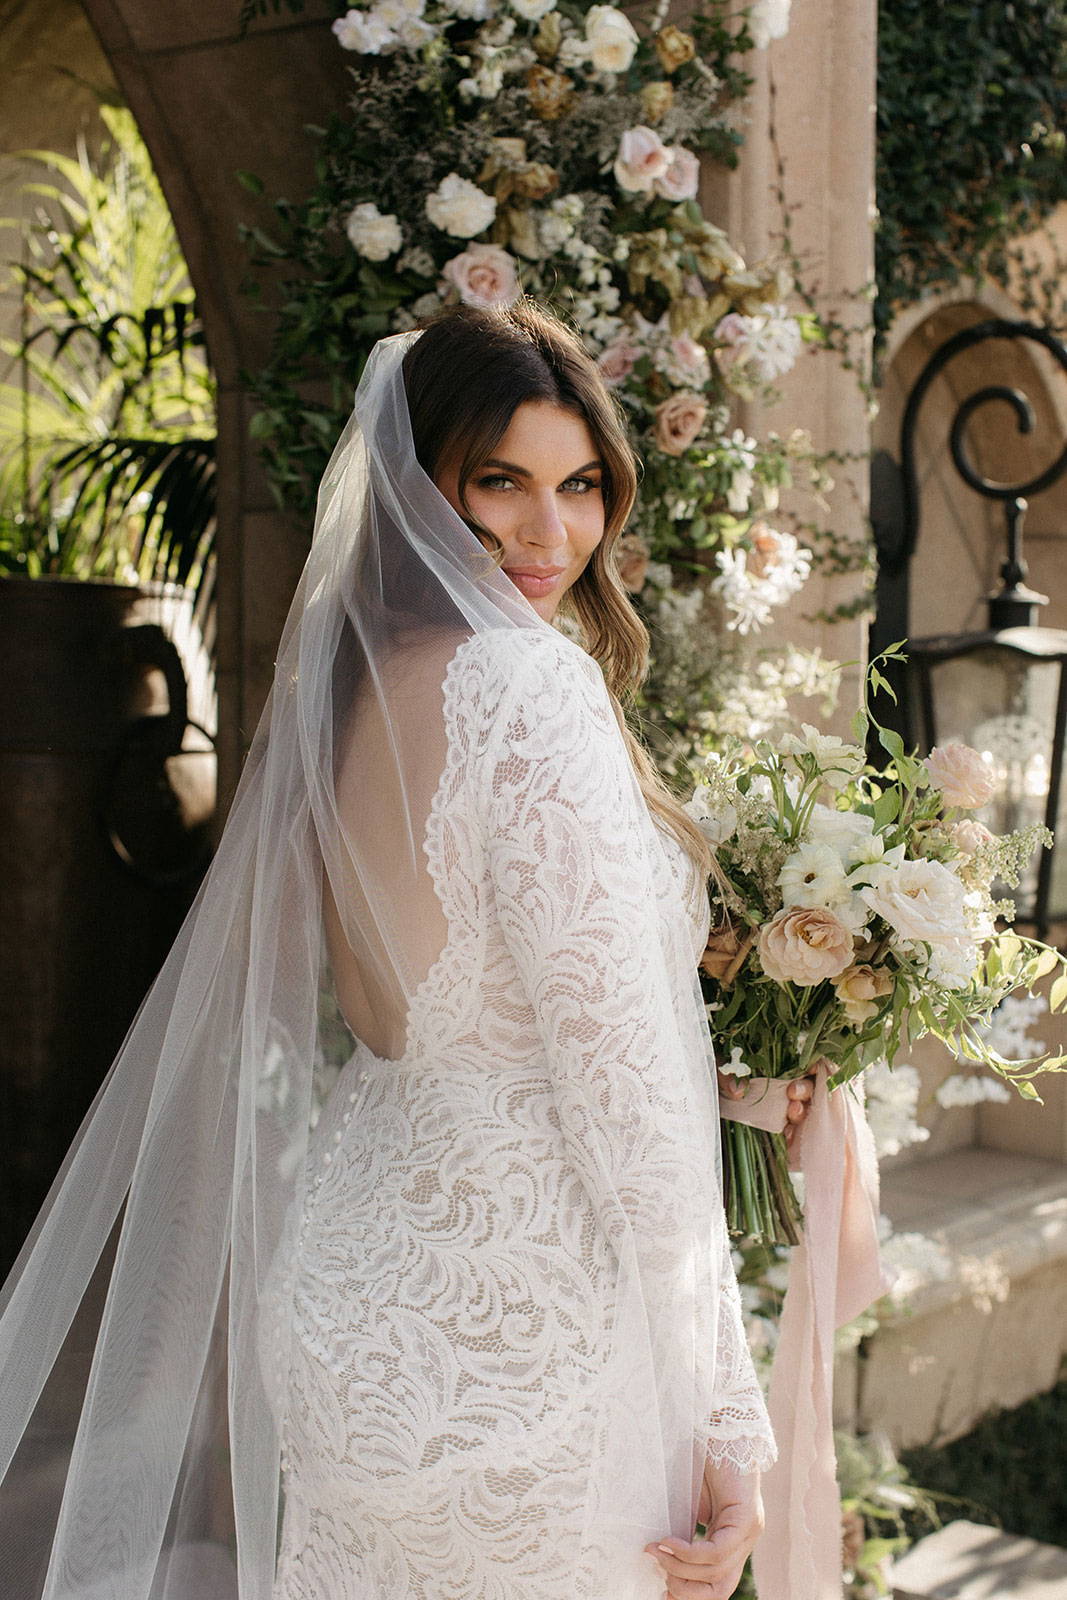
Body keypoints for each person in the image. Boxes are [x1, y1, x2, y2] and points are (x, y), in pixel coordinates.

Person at [0, 301, 775, 1600]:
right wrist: (731, 1413)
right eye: (502, 484)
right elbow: (624, 1101)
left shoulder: (353, 692)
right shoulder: (530, 693)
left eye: (581, 486)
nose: (550, 531)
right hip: (525, 1336)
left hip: (353, 1301)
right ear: (425, 491)